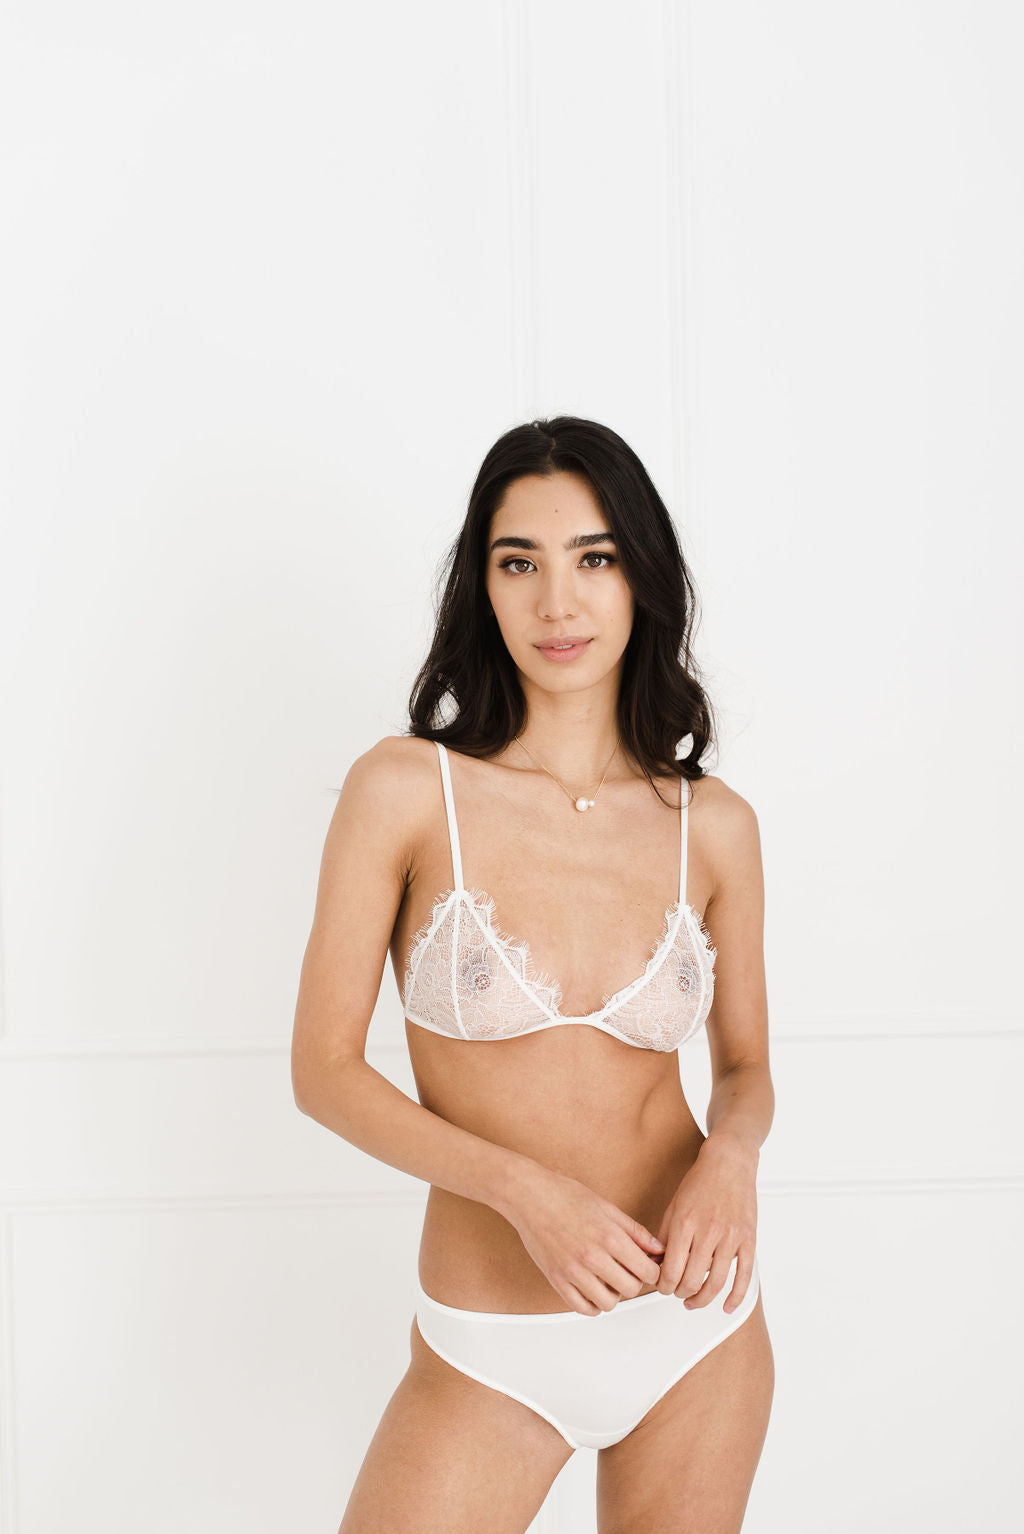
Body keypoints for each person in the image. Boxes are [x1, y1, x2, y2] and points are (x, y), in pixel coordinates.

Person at [291, 416, 776, 1533]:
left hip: (696, 1324)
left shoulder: (713, 825)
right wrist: (527, 1194)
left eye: (593, 559)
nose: (557, 603)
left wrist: (732, 1157)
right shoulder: (406, 791)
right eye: (520, 563)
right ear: (484, 584)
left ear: (641, 576)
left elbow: (746, 1068)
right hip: (491, 1340)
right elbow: (323, 1072)